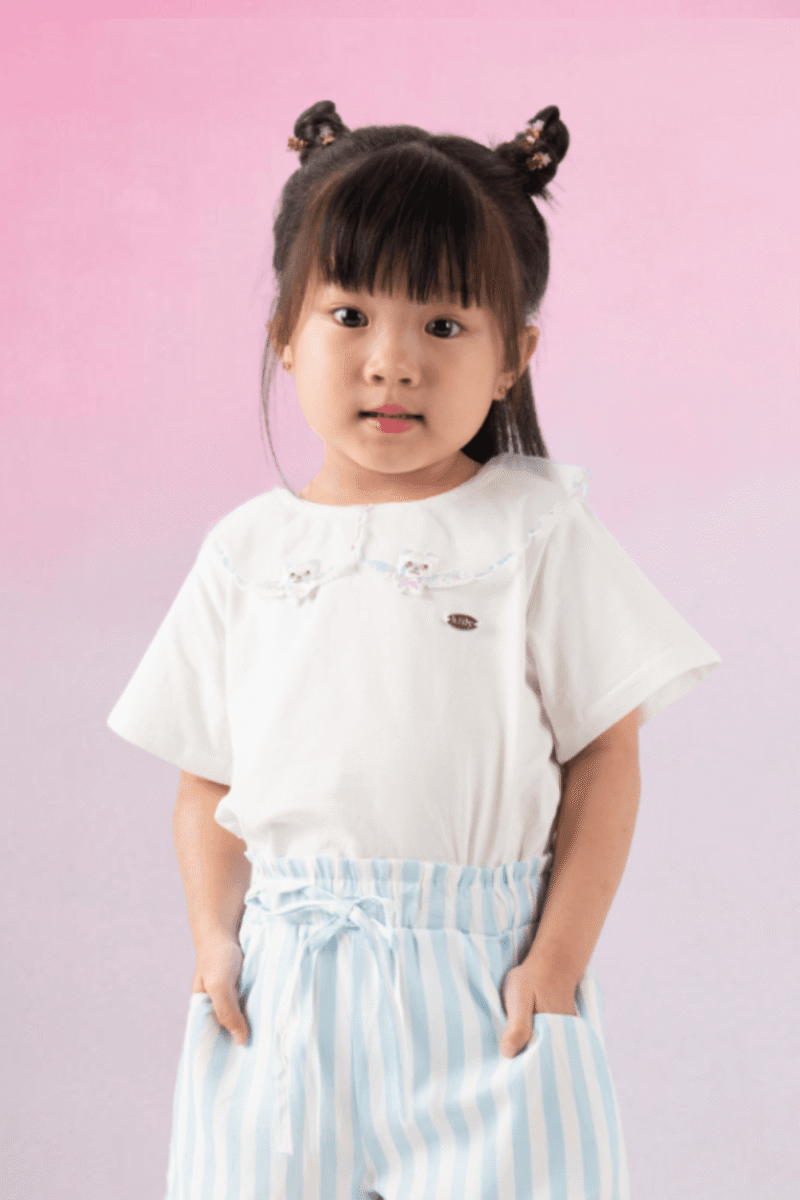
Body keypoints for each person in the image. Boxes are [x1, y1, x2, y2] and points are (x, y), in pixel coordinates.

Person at [107, 100, 721, 1200]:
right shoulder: (247, 552)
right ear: (285, 333)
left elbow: (604, 755)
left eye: (442, 326)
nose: (391, 363)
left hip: (484, 993)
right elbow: (207, 779)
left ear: (512, 356)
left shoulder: (534, 530)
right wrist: (214, 939)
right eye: (349, 315)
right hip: (281, 993)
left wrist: (556, 964)